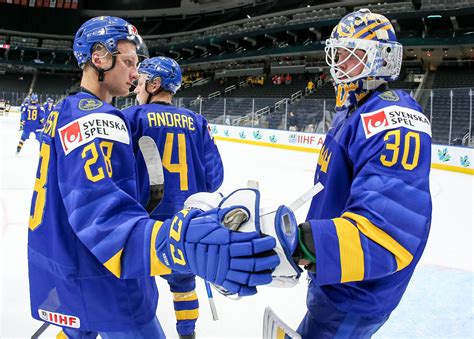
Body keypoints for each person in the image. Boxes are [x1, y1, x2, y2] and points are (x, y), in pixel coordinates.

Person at [27, 16, 279, 338]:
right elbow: (108, 215)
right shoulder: (106, 118)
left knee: (83, 325)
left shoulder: (68, 111)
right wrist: (183, 240)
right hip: (121, 261)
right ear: (99, 57)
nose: (134, 74)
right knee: (176, 292)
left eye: (139, 68)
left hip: (80, 258)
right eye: (130, 62)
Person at [290, 9, 433, 337]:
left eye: (350, 54)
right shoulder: (352, 110)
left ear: (380, 60)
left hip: (356, 292)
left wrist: (304, 244)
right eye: (338, 52)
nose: (338, 61)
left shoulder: (391, 116)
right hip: (336, 278)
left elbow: (388, 234)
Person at [123, 56, 224, 339]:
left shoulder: (131, 118)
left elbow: (119, 174)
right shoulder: (197, 122)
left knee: (133, 288)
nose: (135, 87)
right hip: (185, 226)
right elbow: (215, 179)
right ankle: (187, 334)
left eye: (141, 81)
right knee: (183, 286)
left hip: (140, 227)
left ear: (155, 84)